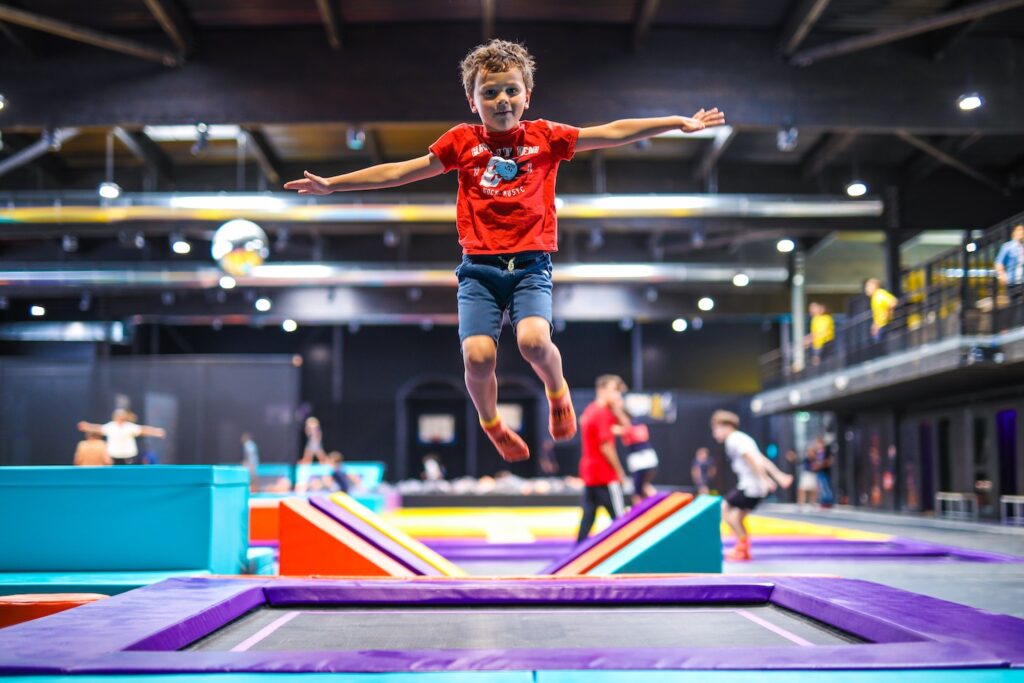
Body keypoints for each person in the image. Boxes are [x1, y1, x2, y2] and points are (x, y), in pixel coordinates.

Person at [284, 39, 725, 464]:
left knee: (534, 341)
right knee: (477, 356)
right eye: (489, 92)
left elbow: (611, 132)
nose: (501, 99)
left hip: (531, 265)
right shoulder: (462, 142)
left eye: (511, 90)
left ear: (527, 95)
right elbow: (402, 171)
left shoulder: (546, 137)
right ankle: (492, 421)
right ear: (472, 101)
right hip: (478, 271)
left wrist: (675, 121)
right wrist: (333, 184)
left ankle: (557, 390)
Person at [710, 410, 792, 562]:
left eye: (716, 429)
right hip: (755, 486)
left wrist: (765, 479)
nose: (715, 434)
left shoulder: (733, 439)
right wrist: (779, 476)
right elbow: (760, 458)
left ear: (727, 426)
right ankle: (743, 548)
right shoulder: (743, 438)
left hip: (750, 486)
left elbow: (751, 459)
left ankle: (742, 547)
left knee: (725, 508)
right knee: (737, 517)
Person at [576, 375, 629, 543]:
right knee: (620, 520)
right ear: (601, 390)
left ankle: (577, 552)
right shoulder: (601, 414)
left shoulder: (591, 410)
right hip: (604, 475)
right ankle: (626, 554)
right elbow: (606, 446)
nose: (617, 395)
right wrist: (620, 472)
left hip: (591, 474)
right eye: (614, 390)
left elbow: (626, 428)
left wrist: (617, 409)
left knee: (588, 517)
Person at [77, 409, 165, 465]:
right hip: (114, 456)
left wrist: (156, 432)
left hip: (128, 457)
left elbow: (143, 430)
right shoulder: (111, 426)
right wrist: (87, 426)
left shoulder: (129, 427)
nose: (119, 418)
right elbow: (98, 428)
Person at [995, 223, 1024, 325]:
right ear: (1014, 232)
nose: (1022, 233)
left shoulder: (1022, 247)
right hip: (1012, 281)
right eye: (1019, 230)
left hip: (1022, 280)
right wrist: (1002, 275)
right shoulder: (1008, 247)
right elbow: (999, 263)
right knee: (1014, 303)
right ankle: (1015, 324)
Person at [864, 278, 898, 343]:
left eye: (868, 286)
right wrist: (875, 325)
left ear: (874, 286)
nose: (867, 289)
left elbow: (893, 301)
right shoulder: (874, 297)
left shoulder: (879, 294)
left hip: (884, 326)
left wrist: (887, 315)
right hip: (880, 327)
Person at [807, 301, 835, 367]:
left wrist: (810, 339)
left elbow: (822, 332)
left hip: (825, 343)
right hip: (817, 344)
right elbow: (814, 332)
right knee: (817, 363)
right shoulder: (815, 319)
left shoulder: (826, 318)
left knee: (824, 363)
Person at [797, 445, 819, 510]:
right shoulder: (806, 458)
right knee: (802, 489)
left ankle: (813, 503)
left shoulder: (816, 458)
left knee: (813, 489)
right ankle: (801, 503)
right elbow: (799, 461)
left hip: (813, 474)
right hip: (806, 474)